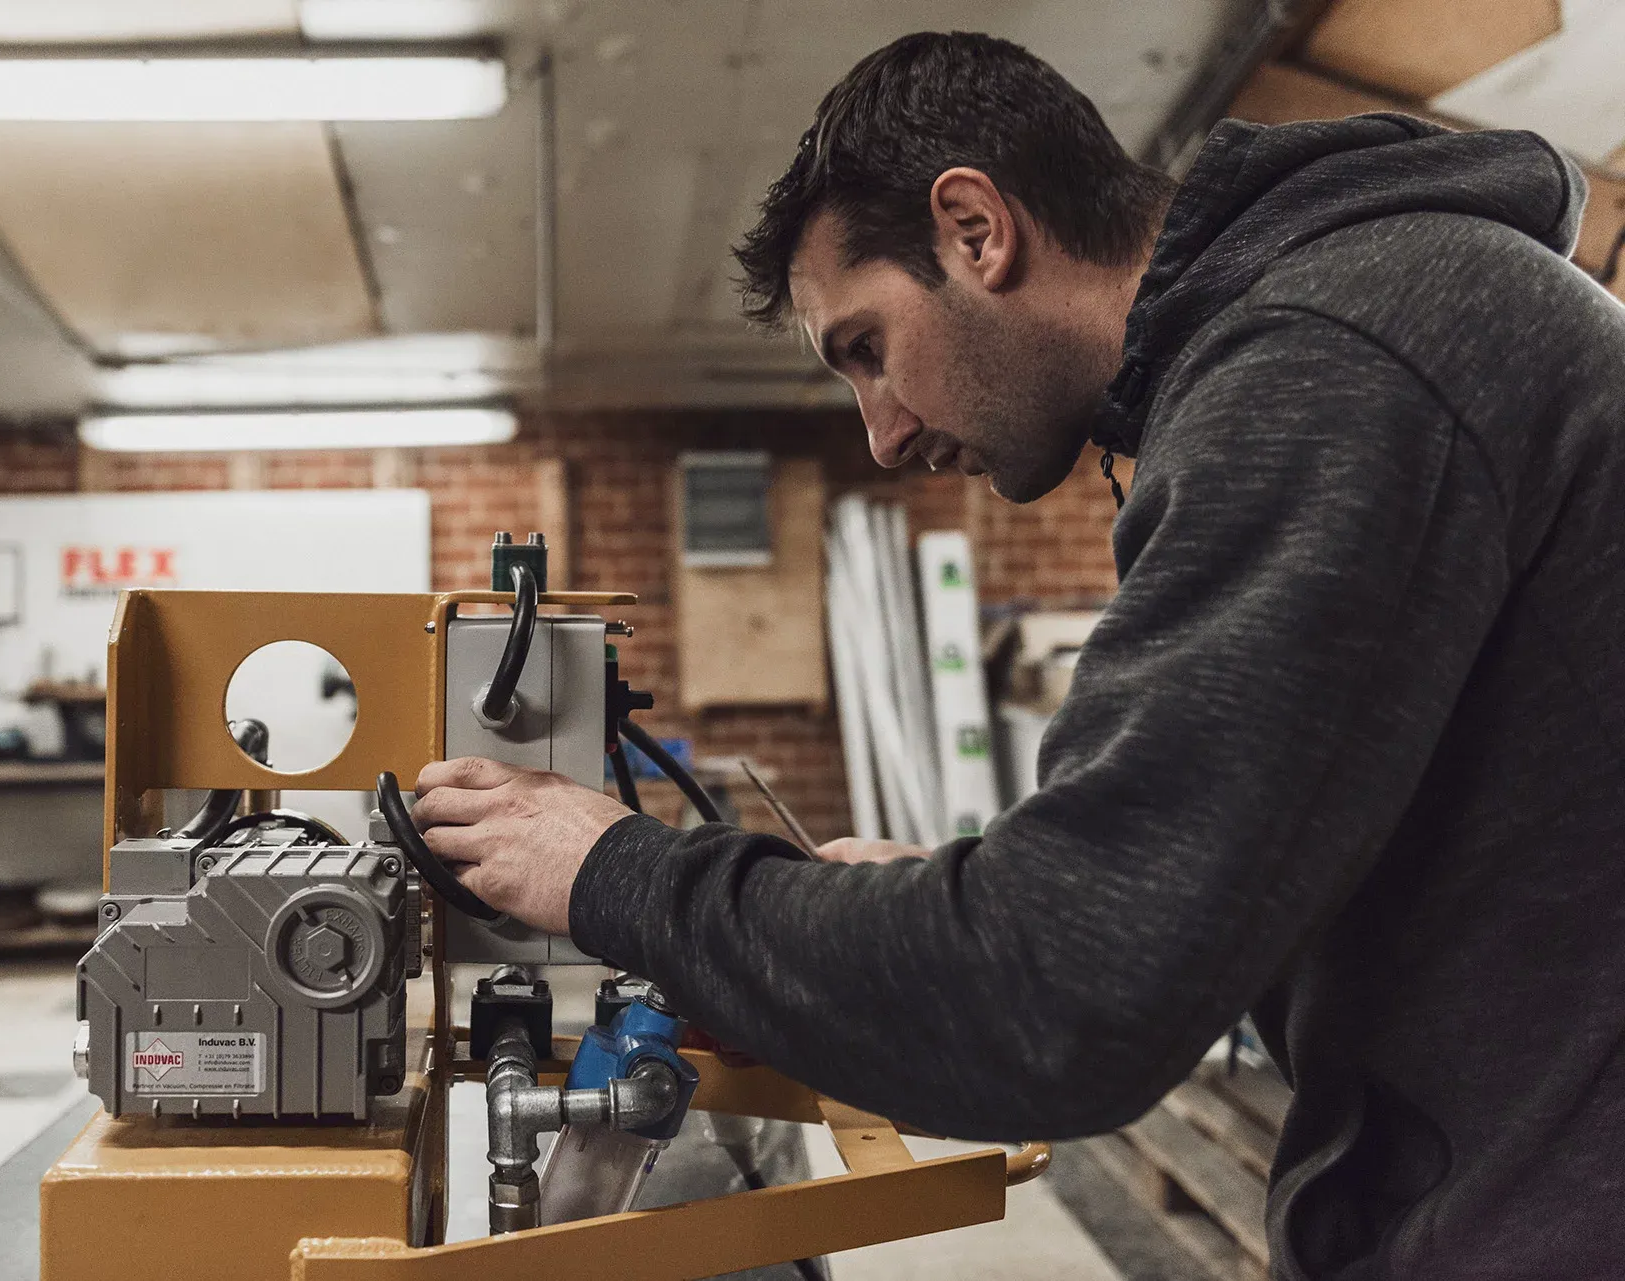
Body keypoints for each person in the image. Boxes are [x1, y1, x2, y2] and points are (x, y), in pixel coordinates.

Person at [412, 31, 1625, 1280]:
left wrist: (610, 868)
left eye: (867, 349)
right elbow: (1211, 878)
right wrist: (943, 902)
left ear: (976, 228)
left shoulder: (1331, 361)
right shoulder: (1344, 327)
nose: (878, 437)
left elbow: (1062, 995)